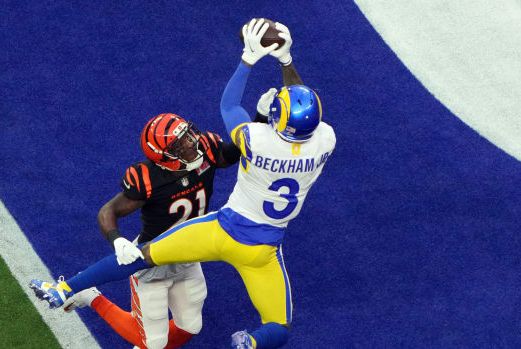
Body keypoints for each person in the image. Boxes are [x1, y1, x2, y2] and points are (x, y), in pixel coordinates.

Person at [30, 18, 336, 349]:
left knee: (150, 268)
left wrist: (249, 60)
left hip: (220, 230)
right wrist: (286, 61)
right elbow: (303, 109)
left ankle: (67, 287)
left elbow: (230, 106)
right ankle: (252, 343)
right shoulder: (326, 140)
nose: (191, 142)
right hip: (263, 248)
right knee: (278, 325)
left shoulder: (254, 139)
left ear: (275, 120)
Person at [62, 113, 242, 349]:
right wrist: (117, 241)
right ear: (165, 156)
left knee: (191, 325)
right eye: (180, 144)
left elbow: (230, 155)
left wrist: (258, 122)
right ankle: (90, 296)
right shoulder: (148, 178)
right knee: (153, 343)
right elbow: (108, 211)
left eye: (187, 135)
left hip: (189, 254)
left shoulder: (205, 151)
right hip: (152, 259)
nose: (190, 143)